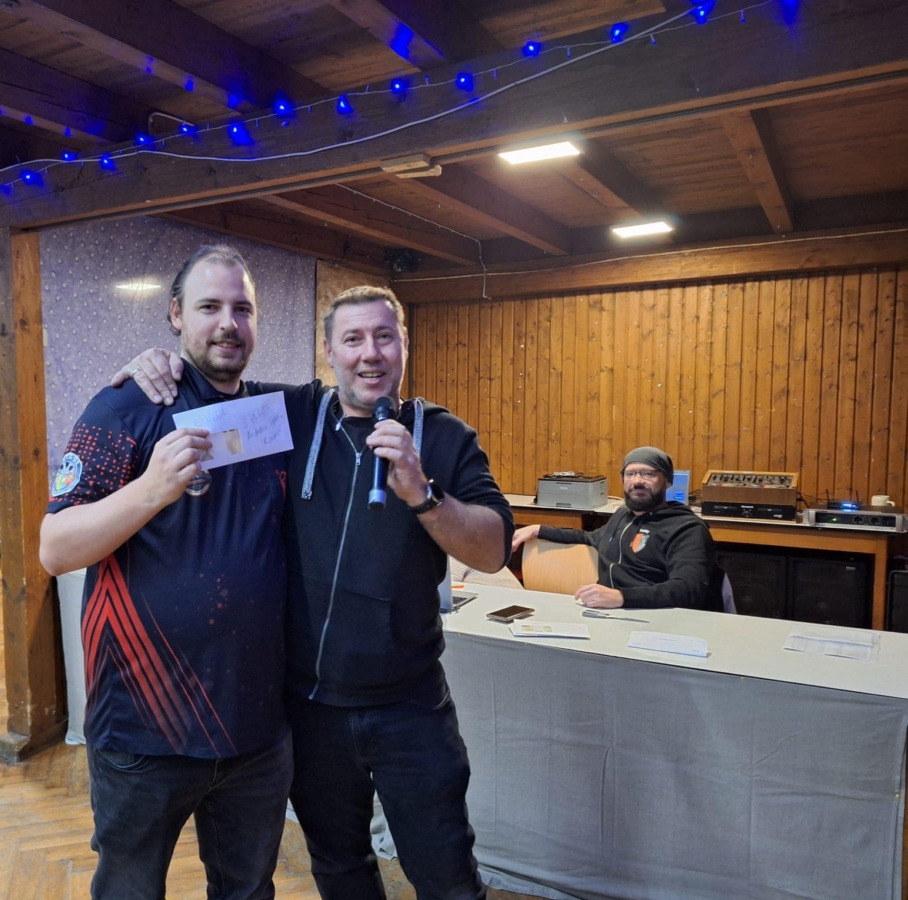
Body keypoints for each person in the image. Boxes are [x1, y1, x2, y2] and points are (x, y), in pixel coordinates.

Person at [115, 285, 514, 900]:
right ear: (329, 351)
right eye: (352, 339)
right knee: (338, 867)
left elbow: (491, 550)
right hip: (308, 710)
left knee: (446, 875)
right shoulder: (290, 416)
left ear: (404, 345)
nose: (369, 353)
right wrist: (158, 363)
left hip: (410, 708)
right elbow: (202, 402)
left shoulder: (443, 435)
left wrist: (423, 494)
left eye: (384, 337)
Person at [39, 245, 293, 900]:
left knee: (248, 891)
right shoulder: (125, 406)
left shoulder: (273, 416)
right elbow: (55, 548)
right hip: (142, 734)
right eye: (209, 307)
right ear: (176, 315)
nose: (228, 323)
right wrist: (151, 489)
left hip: (255, 732)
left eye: (242, 308)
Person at [512, 446, 719, 610]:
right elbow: (588, 537)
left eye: (648, 474)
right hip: (608, 613)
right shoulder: (622, 517)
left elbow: (688, 589)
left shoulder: (687, 529)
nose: (637, 481)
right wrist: (538, 529)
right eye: (630, 474)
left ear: (667, 481)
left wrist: (621, 597)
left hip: (656, 617)